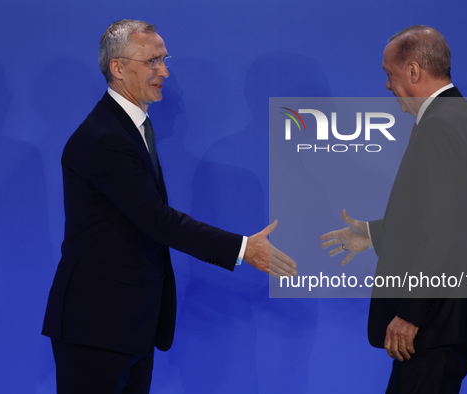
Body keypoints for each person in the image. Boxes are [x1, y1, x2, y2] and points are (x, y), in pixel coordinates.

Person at [42, 19, 297, 393]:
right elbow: (157, 221)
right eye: (152, 61)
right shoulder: (104, 138)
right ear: (118, 68)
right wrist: (243, 248)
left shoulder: (131, 129)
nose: (164, 71)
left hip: (130, 324)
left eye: (164, 59)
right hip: (97, 324)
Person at [321, 25, 467, 393]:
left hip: (438, 319)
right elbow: (453, 216)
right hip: (459, 312)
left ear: (414, 71)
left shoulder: (440, 126)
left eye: (390, 74)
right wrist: (373, 235)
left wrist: (410, 314)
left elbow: (444, 232)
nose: (388, 86)